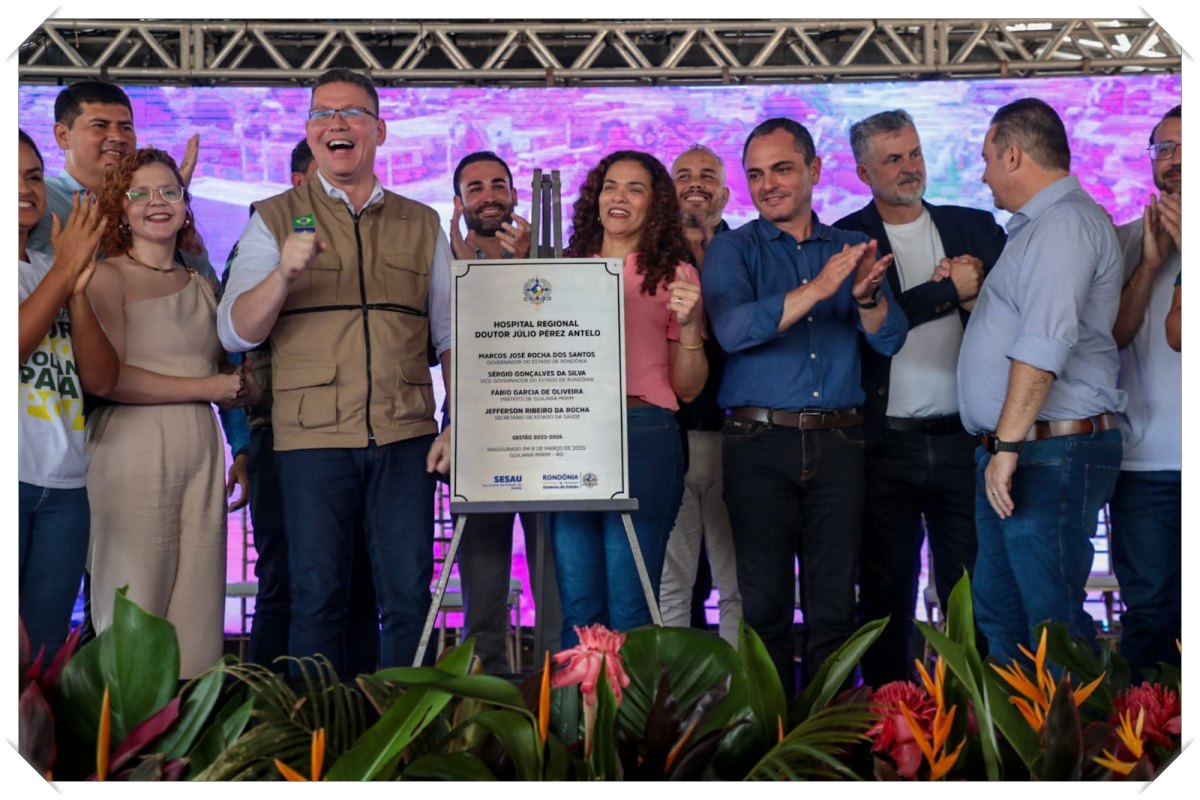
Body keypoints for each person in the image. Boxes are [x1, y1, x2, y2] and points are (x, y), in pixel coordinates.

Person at [218, 67, 453, 673]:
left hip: (406, 439)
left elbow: (453, 333)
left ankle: (407, 739)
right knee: (316, 599)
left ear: (379, 129)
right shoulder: (273, 217)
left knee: (407, 599)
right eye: (323, 113)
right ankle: (318, 747)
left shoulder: (422, 222)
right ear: (309, 131)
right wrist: (284, 275)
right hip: (309, 442)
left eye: (350, 113)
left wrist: (461, 423)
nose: (336, 123)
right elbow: (235, 330)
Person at [702, 118, 906, 696]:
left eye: (782, 169)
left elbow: (890, 340)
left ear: (814, 171)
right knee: (763, 607)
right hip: (756, 444)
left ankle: (828, 747)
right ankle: (768, 746)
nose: (768, 184)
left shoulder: (852, 248)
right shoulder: (732, 249)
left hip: (841, 443)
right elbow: (735, 329)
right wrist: (818, 289)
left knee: (835, 607)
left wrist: (866, 301)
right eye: (756, 174)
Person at [834, 110, 1006, 685]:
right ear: (863, 171)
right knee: (886, 593)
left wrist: (966, 297)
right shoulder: (844, 240)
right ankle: (891, 724)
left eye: (914, 153)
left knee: (972, 590)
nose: (910, 168)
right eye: (892, 159)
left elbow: (1012, 319)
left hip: (965, 438)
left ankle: (973, 719)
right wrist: (944, 290)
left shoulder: (976, 228)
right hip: (884, 446)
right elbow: (866, 325)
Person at [959, 98, 1125, 665]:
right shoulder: (1039, 229)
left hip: (1045, 449)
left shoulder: (1065, 224)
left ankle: (1079, 751)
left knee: (1052, 624)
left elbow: (1045, 343)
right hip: (1020, 450)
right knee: (1002, 614)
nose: (982, 175)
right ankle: (1019, 751)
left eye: (986, 160)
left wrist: (1006, 445)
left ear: (1013, 154)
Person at [86, 147, 251, 679]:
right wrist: (209, 385)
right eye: (140, 193)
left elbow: (234, 372)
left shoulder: (203, 284)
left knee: (198, 618)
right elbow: (109, 381)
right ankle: (121, 750)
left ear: (185, 203)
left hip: (201, 451)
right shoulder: (105, 278)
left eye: (169, 191)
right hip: (131, 450)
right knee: (133, 605)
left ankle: (184, 754)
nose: (156, 203)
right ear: (119, 208)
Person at [230, 139, 380, 674]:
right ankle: (275, 717)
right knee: (287, 582)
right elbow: (236, 336)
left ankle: (356, 715)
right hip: (280, 431)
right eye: (325, 182)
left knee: (359, 581)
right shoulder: (268, 236)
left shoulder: (371, 234)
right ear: (299, 185)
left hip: (355, 434)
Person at [551, 150, 708, 649]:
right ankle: (576, 725)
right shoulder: (563, 270)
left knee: (629, 603)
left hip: (643, 433)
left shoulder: (675, 275)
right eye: (610, 186)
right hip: (571, 438)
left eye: (635, 188)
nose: (619, 196)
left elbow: (688, 387)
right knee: (578, 607)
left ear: (654, 205)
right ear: (596, 199)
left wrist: (688, 327)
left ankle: (630, 729)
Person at [447, 150, 560, 672]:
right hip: (478, 438)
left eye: (498, 185)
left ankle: (556, 699)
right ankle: (484, 706)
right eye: (475, 188)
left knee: (555, 583)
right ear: (459, 202)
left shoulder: (554, 258)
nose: (489, 196)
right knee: (483, 586)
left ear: (515, 195)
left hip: (547, 434)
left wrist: (529, 267)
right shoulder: (443, 266)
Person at [17, 129, 118, 663]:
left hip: (65, 486)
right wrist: (64, 270)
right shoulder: (48, 270)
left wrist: (76, 291)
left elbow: (100, 379)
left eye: (33, 176)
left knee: (44, 654)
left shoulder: (47, 272)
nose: (26, 188)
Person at [658, 144, 742, 646]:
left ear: (726, 193)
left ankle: (741, 703)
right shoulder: (652, 260)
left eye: (707, 175)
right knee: (673, 585)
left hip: (740, 439)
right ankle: (673, 709)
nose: (695, 183)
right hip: (672, 439)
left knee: (737, 585)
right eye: (684, 175)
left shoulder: (750, 249)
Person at [1109, 104, 1182, 675]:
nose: (1175, 161)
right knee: (1151, 617)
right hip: (1143, 466)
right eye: (1164, 149)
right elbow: (1111, 337)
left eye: (1187, 146)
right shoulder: (1123, 240)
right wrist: (1150, 268)